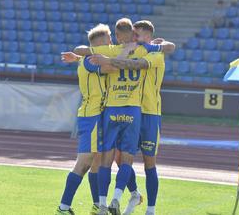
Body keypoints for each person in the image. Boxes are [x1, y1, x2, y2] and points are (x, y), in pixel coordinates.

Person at [62, 18, 174, 215]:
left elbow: (164, 50)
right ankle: (99, 203)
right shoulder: (114, 51)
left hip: (146, 113)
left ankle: (145, 205)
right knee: (103, 159)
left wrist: (153, 46)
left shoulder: (152, 53)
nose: (112, 42)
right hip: (107, 112)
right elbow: (87, 53)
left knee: (135, 161)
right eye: (108, 40)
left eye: (137, 34)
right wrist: (91, 57)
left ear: (146, 36)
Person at [55, 24, 117, 215]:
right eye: (109, 40)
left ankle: (98, 204)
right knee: (83, 163)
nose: (112, 43)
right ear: (102, 43)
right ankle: (63, 208)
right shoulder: (91, 60)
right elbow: (113, 67)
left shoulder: (87, 59)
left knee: (96, 161)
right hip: (92, 116)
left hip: (96, 115)